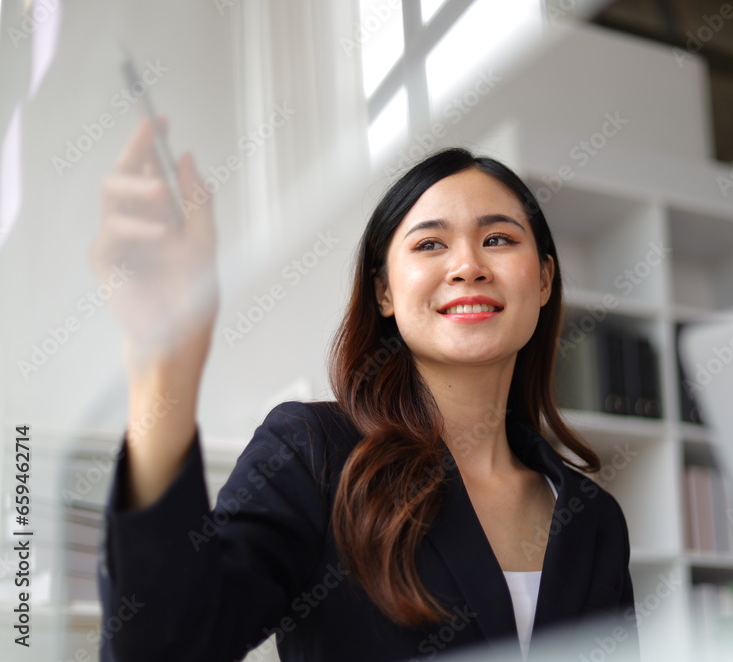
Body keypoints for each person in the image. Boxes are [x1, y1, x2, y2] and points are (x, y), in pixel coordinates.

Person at [91, 117, 639, 661]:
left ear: (543, 279)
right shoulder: (313, 452)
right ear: (384, 292)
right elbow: (165, 646)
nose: (468, 265)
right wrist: (162, 358)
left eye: (497, 239)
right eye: (430, 244)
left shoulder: (593, 518)